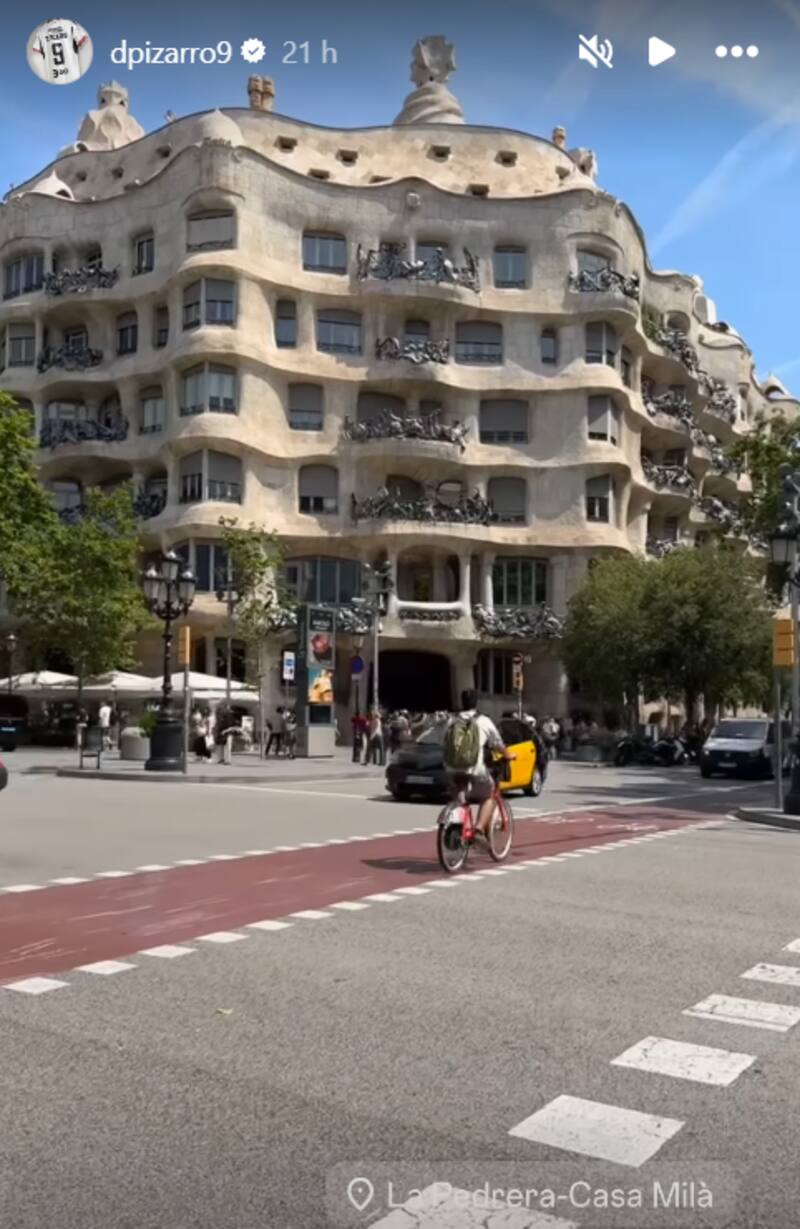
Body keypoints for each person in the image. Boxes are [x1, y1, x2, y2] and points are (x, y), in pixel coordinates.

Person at [443, 689, 512, 841]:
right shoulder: (483, 721)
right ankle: (479, 828)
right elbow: (497, 744)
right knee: (490, 794)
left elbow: (444, 741)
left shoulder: (451, 720)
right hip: (474, 768)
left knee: (459, 795)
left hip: (451, 768)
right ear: (476, 703)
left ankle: (457, 818)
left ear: (461, 702)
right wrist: (509, 755)